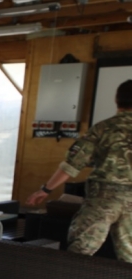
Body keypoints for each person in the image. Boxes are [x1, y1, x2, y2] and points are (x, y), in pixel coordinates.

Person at [26, 79, 132, 263]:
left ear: (117, 100)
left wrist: (46, 190)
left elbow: (72, 164)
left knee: (79, 253)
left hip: (103, 198)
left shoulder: (102, 128)